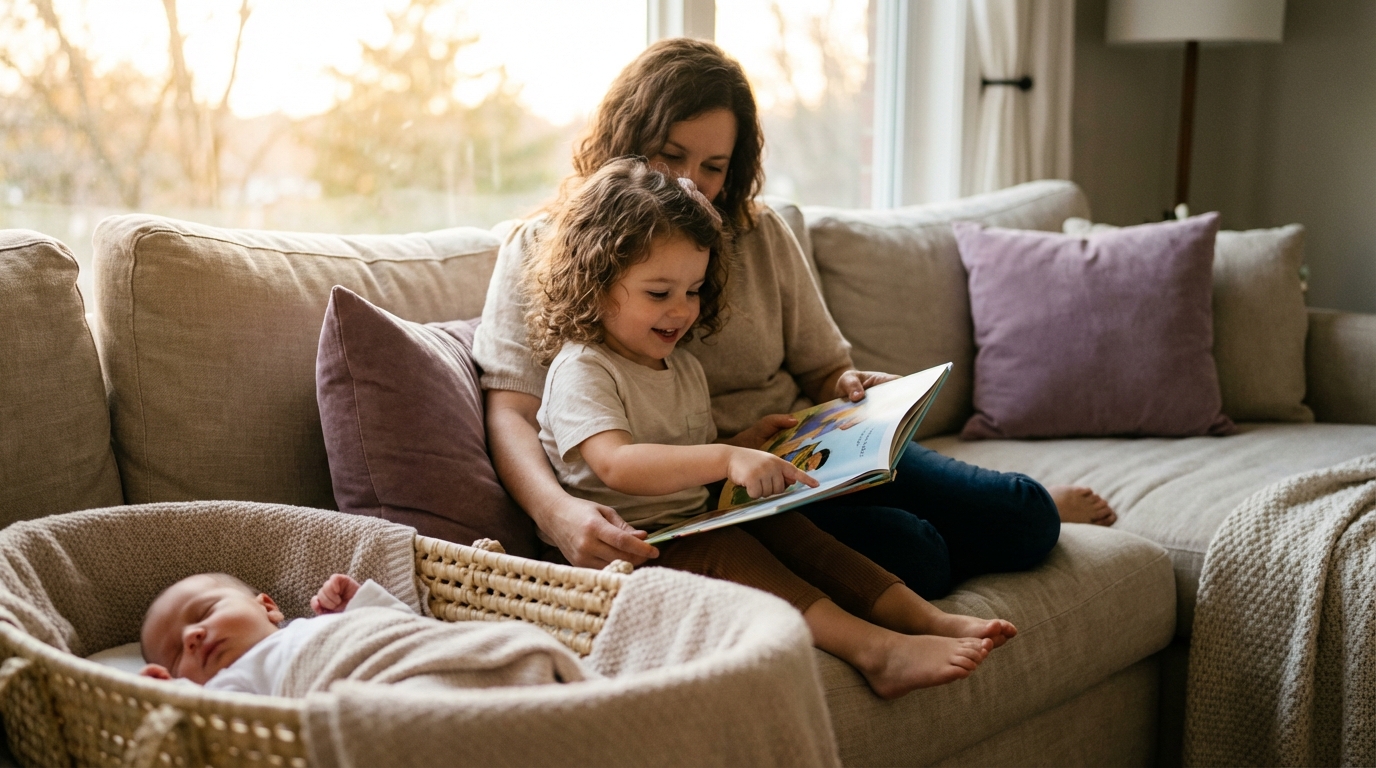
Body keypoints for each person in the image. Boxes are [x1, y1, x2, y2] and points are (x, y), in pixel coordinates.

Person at [474, 37, 1115, 600]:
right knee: (918, 556)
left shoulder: (756, 232)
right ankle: (959, 536)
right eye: (667, 156)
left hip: (810, 448)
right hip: (717, 500)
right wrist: (556, 514)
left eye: (715, 167)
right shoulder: (545, 248)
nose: (692, 185)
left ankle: (1006, 518)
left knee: (1026, 517)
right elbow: (513, 413)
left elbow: (824, 367)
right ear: (622, 142)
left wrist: (851, 387)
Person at [525, 156, 1013, 698]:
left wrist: (740, 444)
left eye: (694, 290)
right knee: (741, 558)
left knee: (801, 535)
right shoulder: (583, 368)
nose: (682, 311)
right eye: (659, 293)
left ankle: (924, 618)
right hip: (629, 551)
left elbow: (683, 453)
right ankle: (876, 652)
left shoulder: (679, 363)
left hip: (689, 519)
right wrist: (723, 459)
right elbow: (617, 462)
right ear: (594, 284)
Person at [139, 572, 581, 695]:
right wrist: (169, 696)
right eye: (177, 653)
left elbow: (407, 631)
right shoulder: (229, 687)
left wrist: (361, 603)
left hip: (428, 655)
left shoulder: (316, 625)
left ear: (269, 608)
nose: (194, 635)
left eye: (206, 612)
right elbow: (216, 727)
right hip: (388, 696)